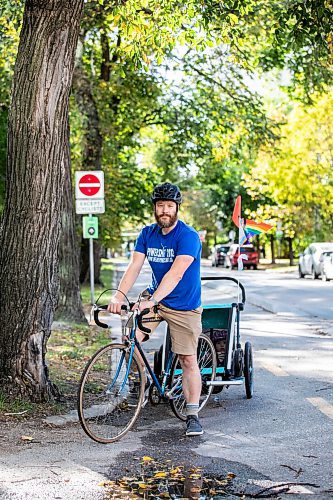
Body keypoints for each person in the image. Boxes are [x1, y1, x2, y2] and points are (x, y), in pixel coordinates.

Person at [107, 182, 203, 436]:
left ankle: (192, 413)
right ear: (154, 208)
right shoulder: (147, 234)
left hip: (183, 304)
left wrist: (151, 300)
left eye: (169, 206)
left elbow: (176, 274)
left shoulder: (188, 236)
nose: (164, 210)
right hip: (155, 299)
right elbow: (134, 267)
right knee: (130, 340)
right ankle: (146, 379)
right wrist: (118, 295)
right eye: (160, 205)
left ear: (177, 209)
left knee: (187, 359)